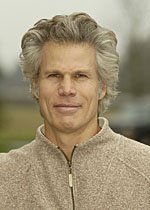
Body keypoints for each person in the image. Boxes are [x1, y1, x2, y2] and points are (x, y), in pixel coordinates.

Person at [0, 12, 150, 210]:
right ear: (35, 86)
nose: (67, 89)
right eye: (54, 75)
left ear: (102, 87)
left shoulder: (145, 169)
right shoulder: (5, 175)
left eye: (80, 76)